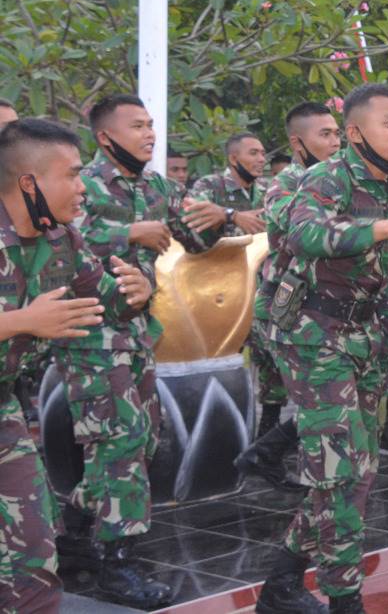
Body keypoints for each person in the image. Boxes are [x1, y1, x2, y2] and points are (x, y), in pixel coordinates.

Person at [254, 84, 388, 614]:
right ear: (355, 133)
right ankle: (344, 599)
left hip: (361, 333)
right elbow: (305, 234)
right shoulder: (323, 178)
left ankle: (280, 584)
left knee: (353, 472)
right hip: (310, 331)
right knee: (343, 476)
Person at [60, 95, 214, 608]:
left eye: (150, 124)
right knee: (120, 442)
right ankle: (117, 563)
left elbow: (195, 237)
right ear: (106, 137)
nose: (149, 134)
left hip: (138, 331)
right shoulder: (83, 183)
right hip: (91, 332)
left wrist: (225, 216)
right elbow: (60, 232)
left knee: (141, 441)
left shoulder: (157, 187)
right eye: (137, 126)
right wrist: (129, 231)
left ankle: (74, 535)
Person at [0, 118, 152, 613]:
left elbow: (105, 301)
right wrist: (21, 321)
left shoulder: (61, 238)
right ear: (30, 183)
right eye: (71, 174)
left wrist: (137, 292)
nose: (83, 187)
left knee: (33, 551)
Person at [235, 102, 342, 491]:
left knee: (329, 394)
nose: (335, 142)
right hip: (291, 303)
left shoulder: (341, 179)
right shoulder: (286, 185)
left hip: (327, 302)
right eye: (324, 135)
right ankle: (293, 467)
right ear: (298, 143)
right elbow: (304, 231)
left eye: (337, 133)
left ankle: (266, 452)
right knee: (320, 395)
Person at [183, 132, 268, 238]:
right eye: (253, 153)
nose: (262, 159)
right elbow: (193, 217)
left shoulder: (268, 188)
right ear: (233, 159)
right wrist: (231, 215)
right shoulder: (209, 185)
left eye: (263, 154)